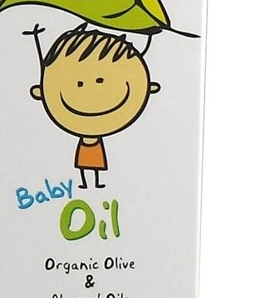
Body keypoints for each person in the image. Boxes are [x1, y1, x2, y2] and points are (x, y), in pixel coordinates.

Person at [24, 23, 160, 188]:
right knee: (84, 164)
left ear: (149, 87)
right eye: (79, 83)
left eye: (100, 80)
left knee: (95, 164)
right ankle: (86, 183)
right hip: (86, 148)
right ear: (40, 92)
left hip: (96, 149)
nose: (92, 89)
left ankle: (95, 183)